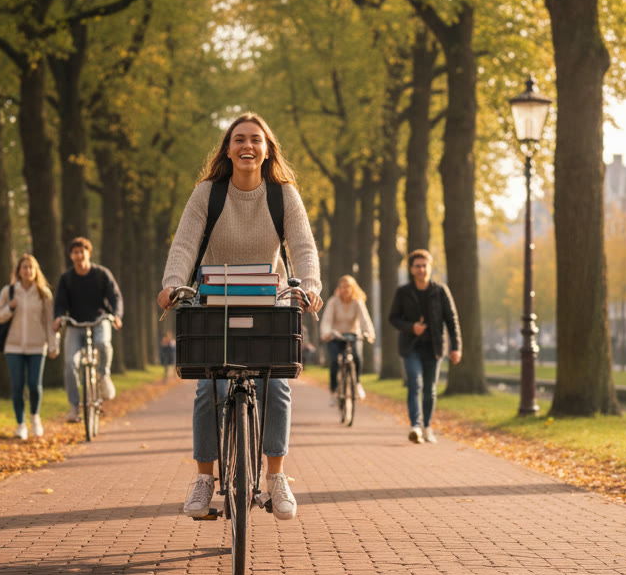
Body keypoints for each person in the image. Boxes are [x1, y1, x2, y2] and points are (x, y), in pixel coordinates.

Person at [157, 112, 323, 522]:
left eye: (255, 140)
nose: (247, 146)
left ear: (267, 150)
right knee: (208, 389)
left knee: (277, 385)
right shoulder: (208, 194)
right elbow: (184, 244)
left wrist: (312, 285)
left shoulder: (283, 195)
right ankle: (204, 478)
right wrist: (172, 283)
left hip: (269, 301)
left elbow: (303, 245)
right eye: (239, 140)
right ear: (228, 150)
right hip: (216, 301)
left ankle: (275, 476)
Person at [388, 249, 461, 444]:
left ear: (430, 268)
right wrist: (412, 327)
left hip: (434, 347)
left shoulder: (440, 291)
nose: (421, 269)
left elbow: (451, 320)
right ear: (411, 269)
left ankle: (427, 427)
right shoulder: (403, 292)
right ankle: (416, 427)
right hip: (411, 347)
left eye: (424, 266)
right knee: (415, 384)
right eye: (417, 266)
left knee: (430, 389)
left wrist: (456, 347)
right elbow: (393, 318)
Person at [53, 237, 124, 423]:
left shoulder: (101, 274)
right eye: (75, 252)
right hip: (75, 324)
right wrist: (59, 317)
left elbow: (115, 297)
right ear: (71, 256)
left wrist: (116, 315)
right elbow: (60, 303)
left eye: (81, 251)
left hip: (99, 321)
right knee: (70, 363)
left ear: (88, 253)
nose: (78, 255)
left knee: (103, 343)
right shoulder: (66, 278)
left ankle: (104, 375)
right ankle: (74, 407)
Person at [0, 254, 58, 440]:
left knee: (35, 385)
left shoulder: (43, 293)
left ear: (36, 270)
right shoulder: (9, 291)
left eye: (31, 267)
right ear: (18, 271)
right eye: (24, 267)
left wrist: (53, 345)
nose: (28, 271)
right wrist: (10, 308)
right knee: (17, 386)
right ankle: (20, 424)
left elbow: (50, 323)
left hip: (37, 346)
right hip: (13, 347)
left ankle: (35, 418)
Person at [320, 275, 376, 403]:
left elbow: (364, 319)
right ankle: (333, 391)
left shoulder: (357, 302)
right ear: (338, 289)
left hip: (352, 335)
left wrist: (369, 333)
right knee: (334, 362)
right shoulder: (333, 301)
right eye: (342, 287)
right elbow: (327, 320)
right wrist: (326, 333)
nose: (345, 290)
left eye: (348, 287)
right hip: (336, 335)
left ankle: (357, 384)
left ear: (353, 288)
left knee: (357, 357)